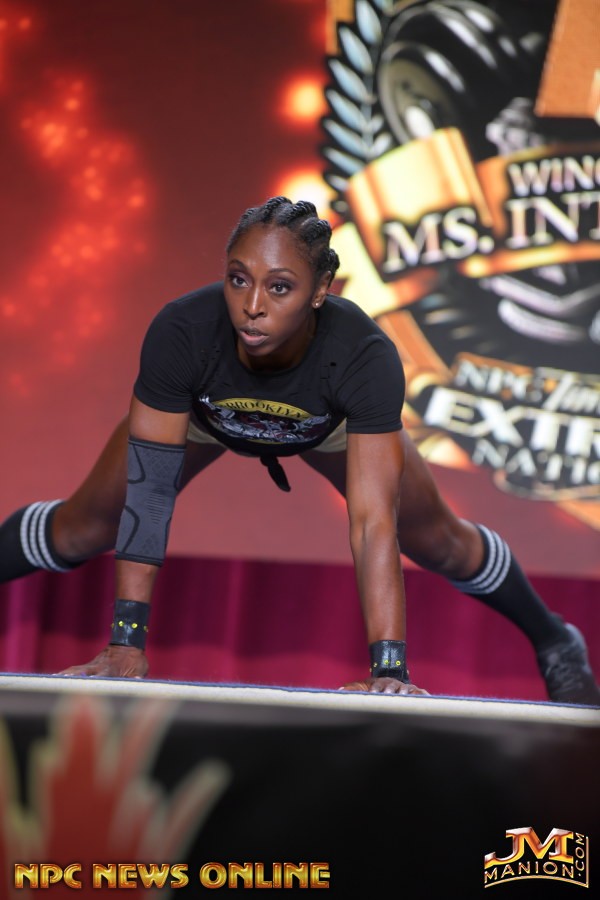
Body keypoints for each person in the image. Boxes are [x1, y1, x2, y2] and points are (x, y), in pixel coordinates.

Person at [0, 196, 598, 704]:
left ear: (320, 291)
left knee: (437, 540)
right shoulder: (182, 331)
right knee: (84, 528)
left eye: (280, 287)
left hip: (328, 425)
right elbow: (150, 492)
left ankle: (553, 638)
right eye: (239, 279)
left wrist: (390, 670)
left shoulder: (363, 353)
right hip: (204, 415)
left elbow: (372, 523)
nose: (252, 305)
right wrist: (125, 644)